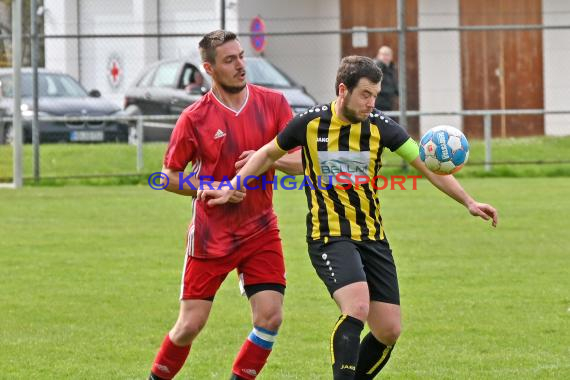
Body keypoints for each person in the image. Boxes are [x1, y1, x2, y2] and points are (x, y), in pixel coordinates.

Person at [198, 56, 499, 380]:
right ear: (343, 90)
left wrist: (468, 201)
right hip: (329, 235)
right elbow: (268, 153)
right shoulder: (311, 123)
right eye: (366, 94)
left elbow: (426, 166)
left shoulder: (381, 127)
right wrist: (231, 187)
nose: (372, 102)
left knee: (389, 330)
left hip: (372, 236)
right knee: (356, 307)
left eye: (375, 94)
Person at [148, 30, 302, 380]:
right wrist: (211, 188)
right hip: (211, 235)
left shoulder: (274, 104)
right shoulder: (194, 117)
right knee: (189, 325)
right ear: (209, 69)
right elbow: (168, 177)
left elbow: (302, 162)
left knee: (270, 317)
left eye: (241, 56)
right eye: (230, 60)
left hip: (261, 228)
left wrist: (267, 159)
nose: (240, 65)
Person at [373, 46, 398, 111]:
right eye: (383, 54)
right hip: (377, 104)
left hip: (388, 104)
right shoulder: (375, 67)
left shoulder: (391, 68)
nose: (385, 57)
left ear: (391, 56)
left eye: (387, 55)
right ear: (378, 55)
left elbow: (394, 84)